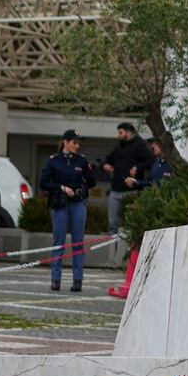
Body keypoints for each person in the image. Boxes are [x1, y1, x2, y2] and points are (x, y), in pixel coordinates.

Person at [39, 129, 96, 292]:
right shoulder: (53, 161)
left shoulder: (81, 161)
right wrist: (61, 187)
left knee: (78, 243)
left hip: (78, 203)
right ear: (65, 142)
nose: (77, 146)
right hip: (60, 204)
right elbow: (43, 183)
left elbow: (92, 182)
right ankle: (55, 280)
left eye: (78, 143)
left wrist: (88, 173)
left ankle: (77, 280)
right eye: (74, 142)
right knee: (59, 243)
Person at [102, 122, 153, 230]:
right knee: (113, 224)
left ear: (128, 132)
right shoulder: (119, 146)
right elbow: (108, 158)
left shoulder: (139, 145)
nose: (118, 135)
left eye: (121, 132)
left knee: (130, 224)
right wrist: (105, 164)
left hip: (132, 192)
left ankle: (127, 247)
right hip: (115, 191)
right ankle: (113, 246)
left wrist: (137, 167)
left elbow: (150, 160)